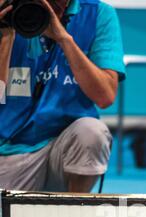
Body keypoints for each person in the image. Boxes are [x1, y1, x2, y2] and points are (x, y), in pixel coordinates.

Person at [0, 0, 125, 192]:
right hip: (8, 150)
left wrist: (65, 40)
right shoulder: (6, 10)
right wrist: (5, 38)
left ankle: (75, 214)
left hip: (63, 151)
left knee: (92, 132)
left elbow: (105, 96)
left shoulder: (98, 14)